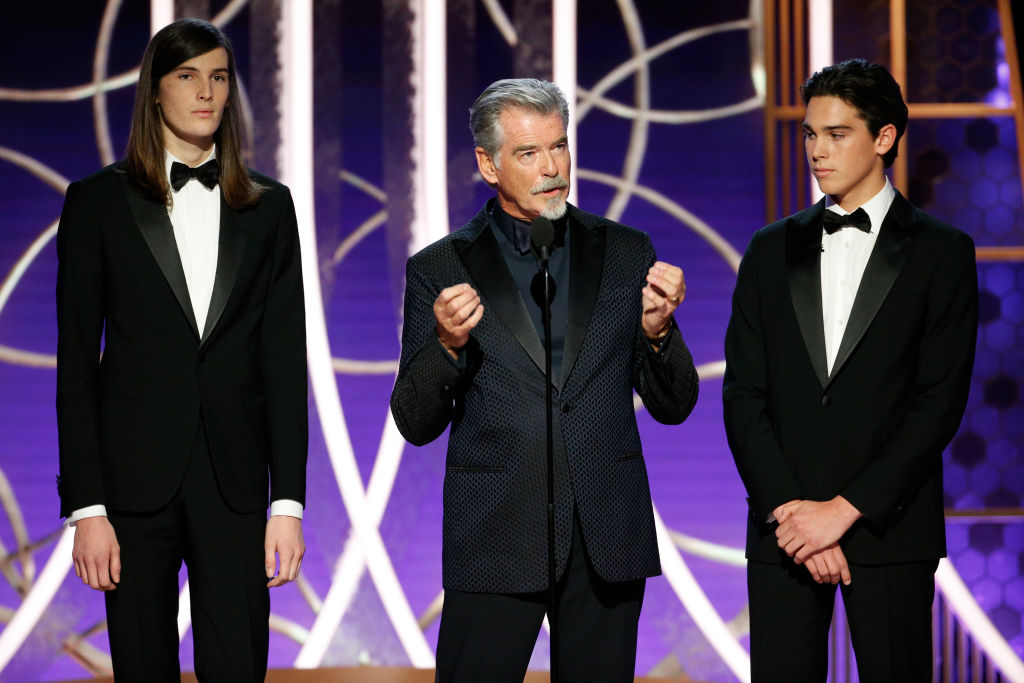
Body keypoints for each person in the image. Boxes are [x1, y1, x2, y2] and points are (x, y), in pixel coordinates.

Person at [390, 77, 699, 682]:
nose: (552, 168)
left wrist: (660, 334)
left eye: (559, 148)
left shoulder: (627, 252)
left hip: (604, 537)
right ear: (488, 164)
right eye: (529, 154)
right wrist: (448, 346)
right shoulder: (440, 267)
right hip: (495, 534)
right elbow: (414, 419)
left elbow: (675, 404)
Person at [56, 18, 307, 682]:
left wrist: (288, 504)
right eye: (187, 76)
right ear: (155, 90)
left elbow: (284, 362)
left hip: (237, 486)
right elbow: (77, 366)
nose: (206, 93)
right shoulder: (96, 204)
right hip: (133, 487)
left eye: (219, 77)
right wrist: (87, 507)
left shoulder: (271, 209)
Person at [723, 59, 977, 681]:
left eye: (837, 134)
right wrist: (791, 511)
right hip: (784, 537)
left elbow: (937, 403)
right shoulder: (768, 248)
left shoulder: (943, 252)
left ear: (883, 138)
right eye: (810, 134)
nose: (817, 150)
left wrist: (844, 510)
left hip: (890, 532)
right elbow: (743, 394)